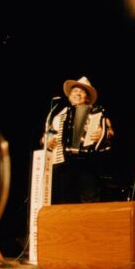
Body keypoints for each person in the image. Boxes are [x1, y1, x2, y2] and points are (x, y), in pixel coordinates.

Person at [44, 76, 114, 204]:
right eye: (74, 91)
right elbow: (46, 137)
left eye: (82, 91)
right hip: (64, 163)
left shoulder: (96, 112)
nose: (78, 94)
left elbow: (110, 132)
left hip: (88, 163)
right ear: (69, 96)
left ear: (87, 97)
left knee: (89, 201)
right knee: (66, 202)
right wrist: (47, 141)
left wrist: (102, 134)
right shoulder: (59, 116)